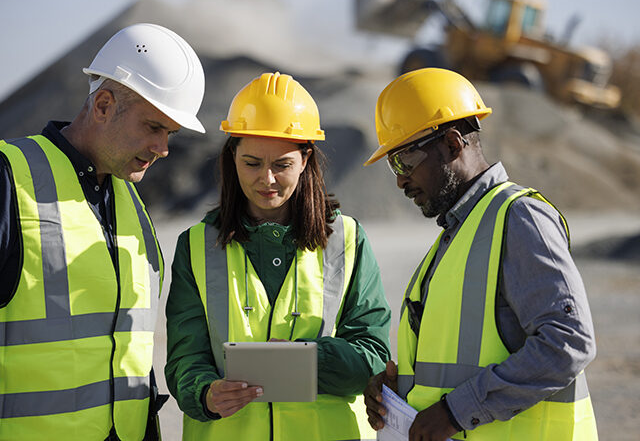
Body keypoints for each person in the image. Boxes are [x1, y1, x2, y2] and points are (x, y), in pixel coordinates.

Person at [362, 68, 598, 441]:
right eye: (393, 165)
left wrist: (456, 412)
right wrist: (396, 388)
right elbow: (456, 359)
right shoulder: (459, 234)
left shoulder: (519, 218)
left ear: (454, 144)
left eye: (404, 161)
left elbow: (567, 342)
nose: (400, 180)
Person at [0, 23, 206, 441]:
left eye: (171, 133)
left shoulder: (131, 202)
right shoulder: (10, 178)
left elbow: (126, 345)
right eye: (153, 127)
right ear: (104, 105)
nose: (164, 148)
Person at [165, 71, 391, 440]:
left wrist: (308, 359)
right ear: (231, 157)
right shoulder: (195, 246)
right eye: (252, 163)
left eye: (282, 165)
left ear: (305, 160)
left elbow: (372, 356)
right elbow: (185, 357)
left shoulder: (347, 240)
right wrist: (205, 394)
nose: (266, 179)